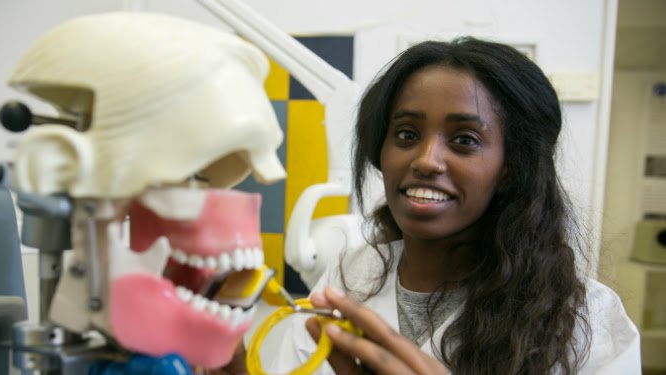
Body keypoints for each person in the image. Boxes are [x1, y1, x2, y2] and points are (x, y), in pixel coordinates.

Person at [264, 37, 640, 374]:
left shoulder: (587, 318)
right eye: (407, 134)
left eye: (465, 140)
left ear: (511, 167)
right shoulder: (348, 277)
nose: (426, 160)